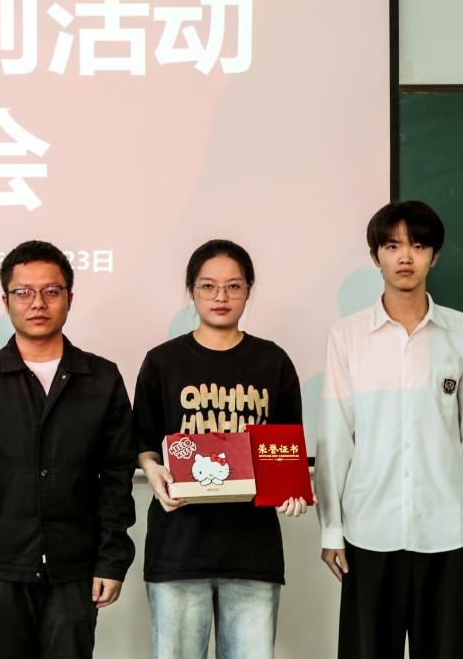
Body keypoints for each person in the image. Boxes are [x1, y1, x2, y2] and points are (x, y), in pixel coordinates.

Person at [316, 201, 463, 659]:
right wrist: (331, 529)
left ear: (434, 257)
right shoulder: (347, 336)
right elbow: (335, 437)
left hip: (447, 530)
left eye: (418, 245)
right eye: (393, 245)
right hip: (368, 528)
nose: (405, 257)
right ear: (375, 255)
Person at [0, 239, 136, 659]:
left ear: (69, 298)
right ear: (6, 301)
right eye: (23, 292)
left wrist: (111, 560)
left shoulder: (102, 379)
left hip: (76, 568)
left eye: (51, 291)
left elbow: (117, 479)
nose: (38, 303)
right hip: (1, 569)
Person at [133, 239, 307, 659]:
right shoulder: (162, 362)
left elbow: (288, 448)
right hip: (178, 548)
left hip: (252, 550)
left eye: (233, 286)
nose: (221, 297)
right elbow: (143, 443)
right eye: (208, 286)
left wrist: (291, 488)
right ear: (191, 290)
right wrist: (152, 471)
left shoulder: (273, 362)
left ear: (249, 290)